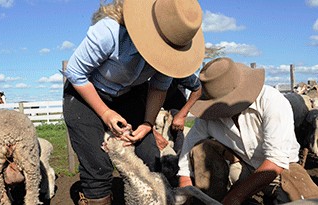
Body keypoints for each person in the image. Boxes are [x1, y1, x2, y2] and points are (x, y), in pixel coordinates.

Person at [62, 0, 205, 204]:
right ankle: (97, 196)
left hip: (129, 95)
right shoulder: (109, 32)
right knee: (98, 165)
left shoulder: (171, 55)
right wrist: (105, 113)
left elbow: (158, 88)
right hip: (85, 94)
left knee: (151, 157)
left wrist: (147, 124)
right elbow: (75, 73)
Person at [178, 57, 318, 204]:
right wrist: (185, 178)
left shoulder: (271, 101)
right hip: (243, 166)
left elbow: (276, 160)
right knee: (201, 147)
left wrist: (236, 196)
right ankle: (213, 196)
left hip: (282, 170)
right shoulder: (210, 115)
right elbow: (190, 143)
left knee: (309, 201)